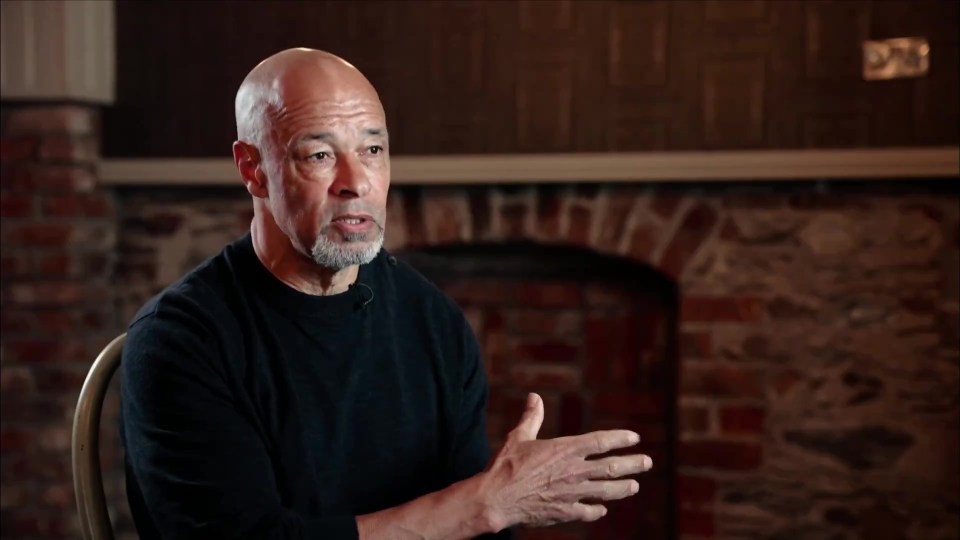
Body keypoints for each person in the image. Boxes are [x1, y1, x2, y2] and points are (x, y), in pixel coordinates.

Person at [120, 48, 653, 540]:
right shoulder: (181, 342)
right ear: (253, 169)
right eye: (321, 154)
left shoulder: (431, 319)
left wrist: (495, 507)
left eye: (372, 149)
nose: (357, 182)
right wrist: (484, 505)